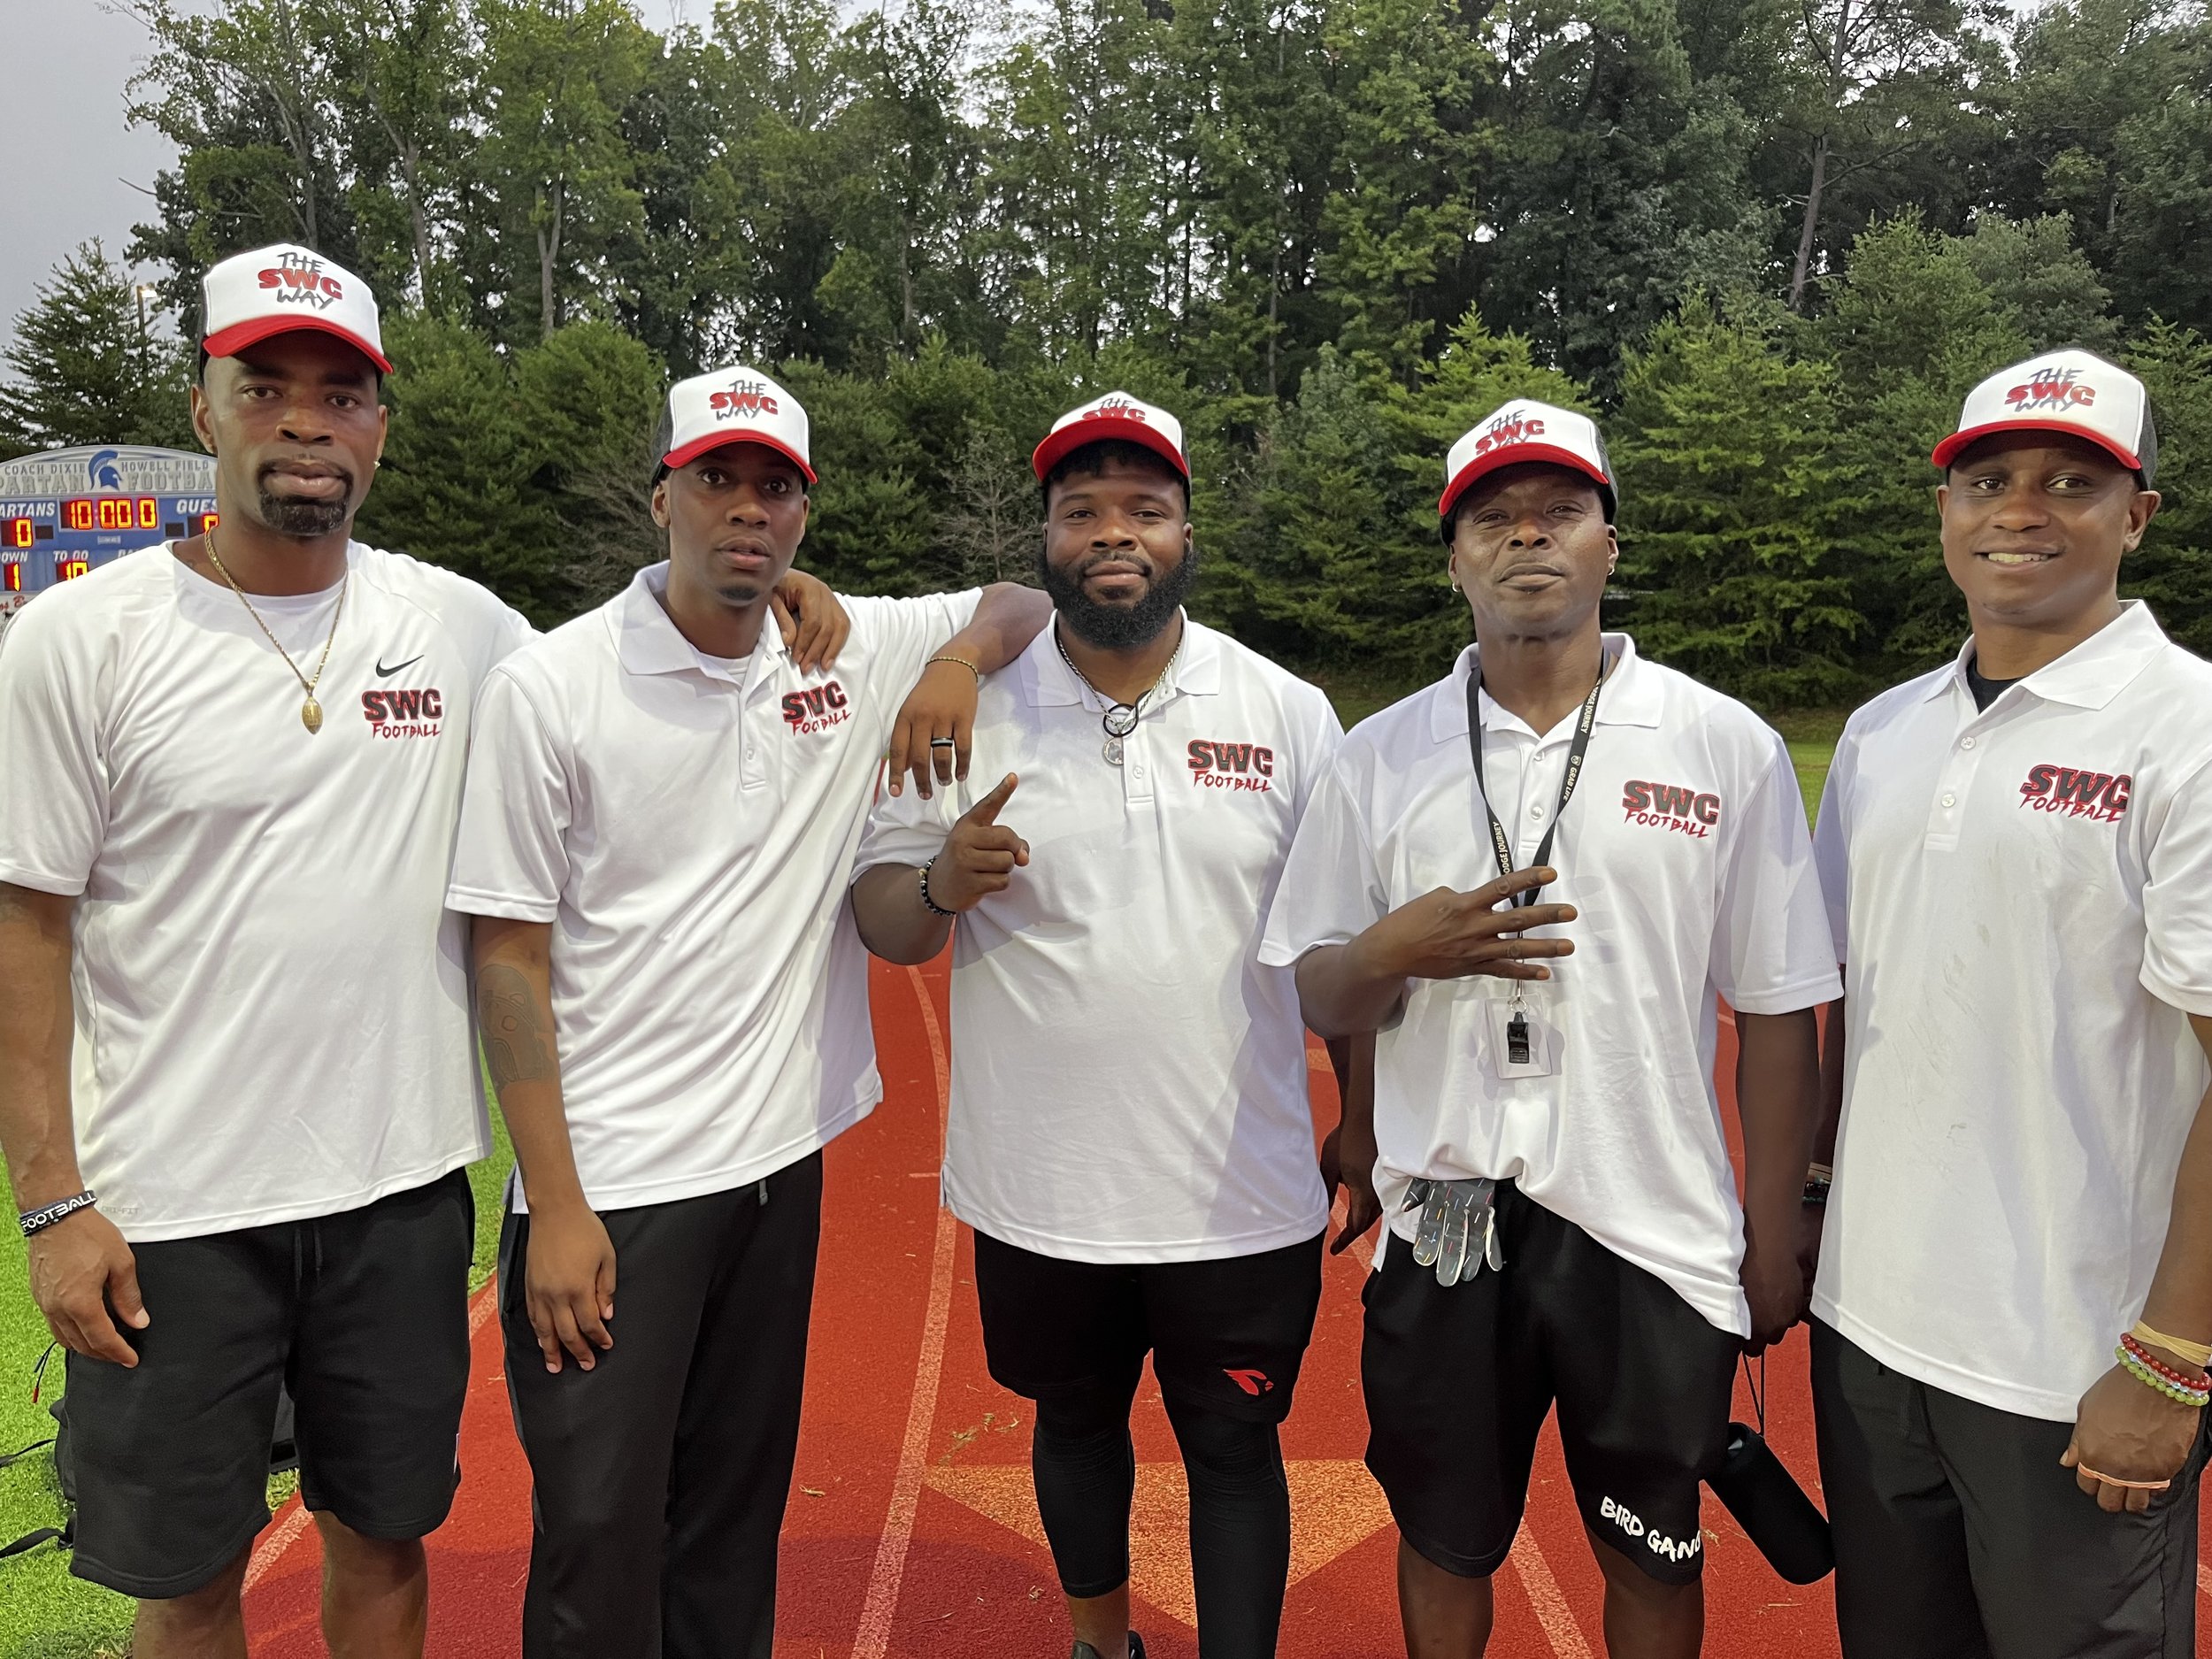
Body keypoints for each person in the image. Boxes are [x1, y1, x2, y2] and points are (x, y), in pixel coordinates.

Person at [0, 245, 846, 1659]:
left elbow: (639, 648)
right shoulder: (78, 642)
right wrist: (49, 1201)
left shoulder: (455, 626)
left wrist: (788, 606)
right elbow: (28, 927)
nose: (306, 423)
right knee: (192, 1578)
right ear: (204, 409)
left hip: (399, 1195)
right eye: (264, 387)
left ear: (380, 425)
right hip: (171, 1208)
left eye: (341, 396)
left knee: (385, 1542)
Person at [442, 362, 1052, 1659]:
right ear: (662, 495)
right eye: (717, 479)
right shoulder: (551, 688)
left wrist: (946, 657)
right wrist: (552, 1200)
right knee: (600, 1535)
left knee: (730, 1525)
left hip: (775, 1172)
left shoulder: (848, 646)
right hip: (615, 1186)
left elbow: (1024, 600)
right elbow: (507, 956)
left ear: (802, 517)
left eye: (776, 487)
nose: (747, 509)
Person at [1261, 398, 1839, 1658]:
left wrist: (1783, 1215)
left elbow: (1783, 1005)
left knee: (1652, 1544)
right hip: (1448, 1214)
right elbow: (1317, 994)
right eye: (1493, 517)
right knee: (1442, 1533)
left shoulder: (1721, 744)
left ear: (1609, 543)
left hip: (1650, 1220)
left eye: (1560, 511)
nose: (1528, 536)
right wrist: (1391, 954)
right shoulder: (1378, 758)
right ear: (1454, 553)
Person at [849, 391, 1357, 1659]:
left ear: (1188, 531)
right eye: (1083, 512)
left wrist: (1367, 1118)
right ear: (1047, 537)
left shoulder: (1287, 711)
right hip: (1042, 1187)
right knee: (1072, 1425)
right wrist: (938, 884)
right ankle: (1100, 1644)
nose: (1113, 533)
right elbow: (885, 920)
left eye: (1144, 508)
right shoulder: (967, 709)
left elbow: (1340, 947)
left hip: (1236, 1190)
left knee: (1235, 1445)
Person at [1808, 348, 2212, 1659]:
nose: (2021, 510)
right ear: (1945, 510)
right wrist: (1814, 1201)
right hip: (1873, 1335)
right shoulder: (1881, 731)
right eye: (1988, 480)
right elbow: (1851, 1001)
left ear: (2138, 511)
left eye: (2070, 481)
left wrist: (2170, 1358)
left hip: (2072, 1359)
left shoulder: (2187, 728)